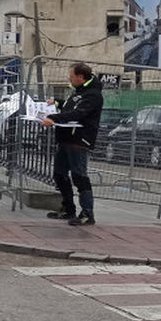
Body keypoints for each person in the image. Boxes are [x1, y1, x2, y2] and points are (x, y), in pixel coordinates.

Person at [42, 62, 104, 226]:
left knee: (79, 176)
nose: (69, 79)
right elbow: (71, 106)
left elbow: (78, 113)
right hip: (66, 139)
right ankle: (68, 208)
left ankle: (87, 213)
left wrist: (53, 119)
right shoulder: (78, 91)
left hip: (80, 140)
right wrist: (57, 102)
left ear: (81, 77)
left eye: (71, 76)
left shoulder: (93, 95)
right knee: (59, 174)